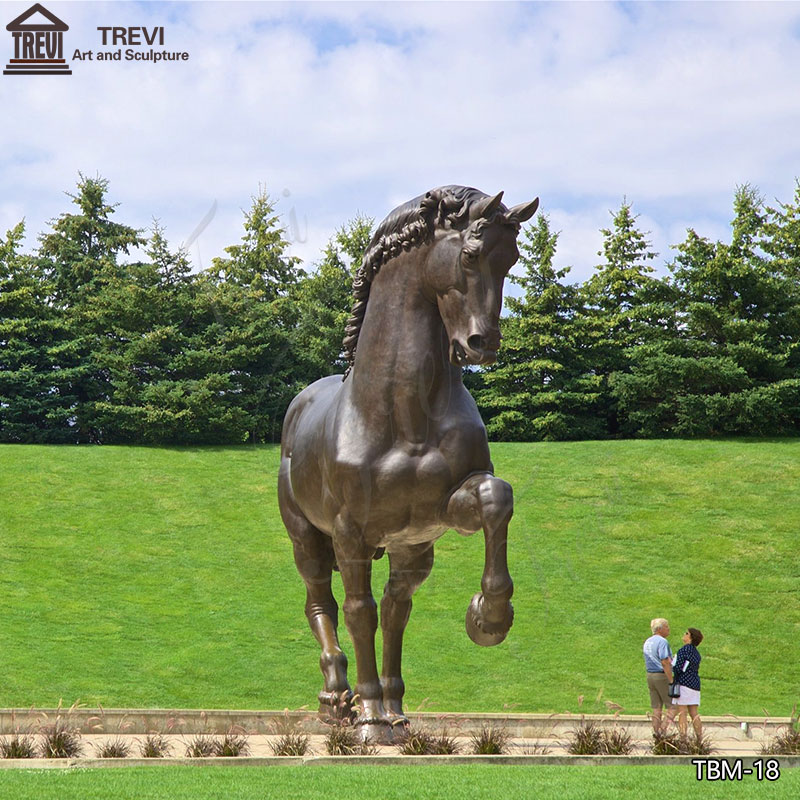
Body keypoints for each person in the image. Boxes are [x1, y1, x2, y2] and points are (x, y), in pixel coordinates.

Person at [668, 627, 704, 738]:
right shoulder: (696, 653)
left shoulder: (684, 650)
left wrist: (672, 666)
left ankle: (683, 738)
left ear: (691, 637)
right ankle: (699, 738)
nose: (684, 634)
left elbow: (678, 668)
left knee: (682, 712)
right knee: (694, 713)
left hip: (684, 683)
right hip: (695, 684)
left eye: (686, 633)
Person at [643, 618, 673, 734]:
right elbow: (665, 661)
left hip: (650, 675)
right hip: (661, 675)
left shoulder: (648, 641)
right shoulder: (662, 642)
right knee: (672, 706)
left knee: (656, 708)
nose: (669, 629)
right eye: (667, 626)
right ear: (660, 629)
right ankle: (662, 730)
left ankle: (656, 733)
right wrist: (671, 679)